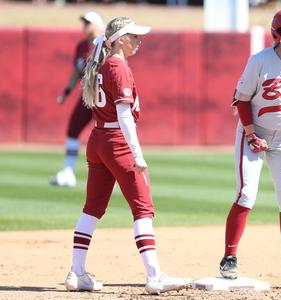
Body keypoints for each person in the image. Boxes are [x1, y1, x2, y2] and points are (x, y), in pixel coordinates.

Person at [63, 16, 190, 294]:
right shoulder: (118, 67)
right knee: (143, 208)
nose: (138, 41)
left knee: (92, 208)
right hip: (116, 141)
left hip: (98, 139)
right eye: (133, 36)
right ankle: (155, 276)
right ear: (120, 39)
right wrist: (137, 153)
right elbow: (124, 115)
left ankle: (77, 272)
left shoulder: (104, 64)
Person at [219, 6, 281, 290]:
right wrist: (250, 133)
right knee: (246, 193)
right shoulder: (260, 61)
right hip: (255, 132)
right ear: (278, 33)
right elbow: (241, 99)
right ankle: (229, 257)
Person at [50, 11, 105, 188]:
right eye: (84, 23)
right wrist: (66, 93)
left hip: (104, 98)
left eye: (88, 23)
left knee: (109, 135)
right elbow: (76, 72)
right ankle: (68, 171)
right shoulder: (82, 46)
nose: (85, 27)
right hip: (88, 97)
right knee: (73, 129)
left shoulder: (104, 44)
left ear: (97, 25)